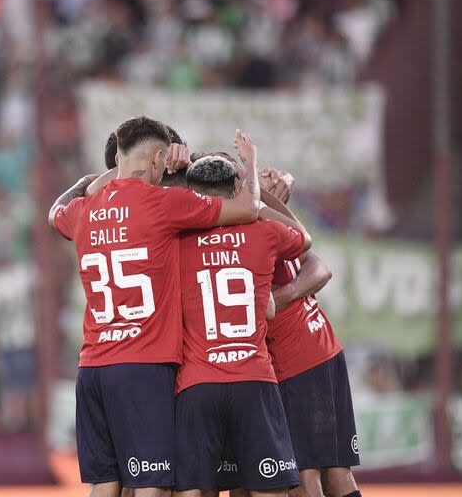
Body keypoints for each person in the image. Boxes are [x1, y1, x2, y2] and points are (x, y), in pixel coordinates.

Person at [48, 117, 261, 497]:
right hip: (142, 365)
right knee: (152, 485)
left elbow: (55, 212)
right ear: (160, 157)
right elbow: (246, 208)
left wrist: (87, 182)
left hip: (92, 367)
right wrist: (247, 164)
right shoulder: (163, 202)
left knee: (105, 484)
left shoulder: (85, 210)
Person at [173, 151, 312, 497]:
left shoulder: (175, 243)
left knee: (194, 491)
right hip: (254, 381)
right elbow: (303, 238)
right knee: (270, 490)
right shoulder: (263, 233)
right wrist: (256, 200)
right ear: (234, 191)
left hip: (197, 383)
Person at [262, 171, 361, 497]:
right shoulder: (269, 221)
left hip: (296, 359)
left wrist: (280, 298)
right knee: (336, 472)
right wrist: (269, 198)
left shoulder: (245, 227)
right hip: (322, 346)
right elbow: (316, 262)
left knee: (306, 476)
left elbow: (321, 266)